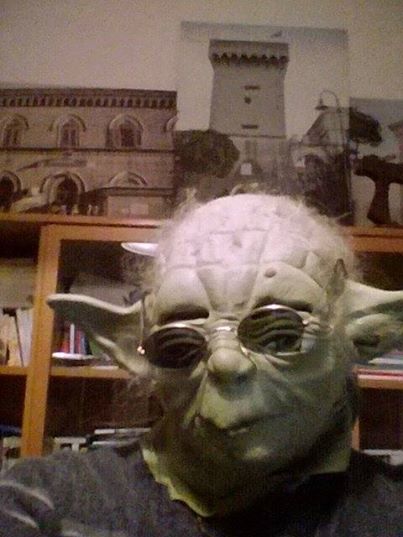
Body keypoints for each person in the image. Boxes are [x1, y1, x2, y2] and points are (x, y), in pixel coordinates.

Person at [1, 193, 402, 537]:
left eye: (280, 334)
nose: (224, 362)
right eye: (179, 344)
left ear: (362, 334)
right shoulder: (39, 500)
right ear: (134, 353)